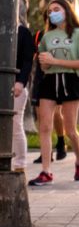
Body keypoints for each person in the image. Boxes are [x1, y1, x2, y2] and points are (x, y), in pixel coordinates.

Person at [28, 0, 79, 187]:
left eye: (56, 9)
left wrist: (55, 60)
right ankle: (46, 171)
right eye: (49, 11)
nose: (52, 13)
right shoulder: (47, 37)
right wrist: (46, 62)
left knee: (70, 128)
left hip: (71, 81)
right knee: (45, 127)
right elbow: (44, 64)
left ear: (66, 11)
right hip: (49, 81)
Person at [11, 24, 35, 177]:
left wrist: (21, 81)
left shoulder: (23, 32)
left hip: (15, 85)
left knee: (15, 125)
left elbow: (27, 61)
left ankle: (19, 165)